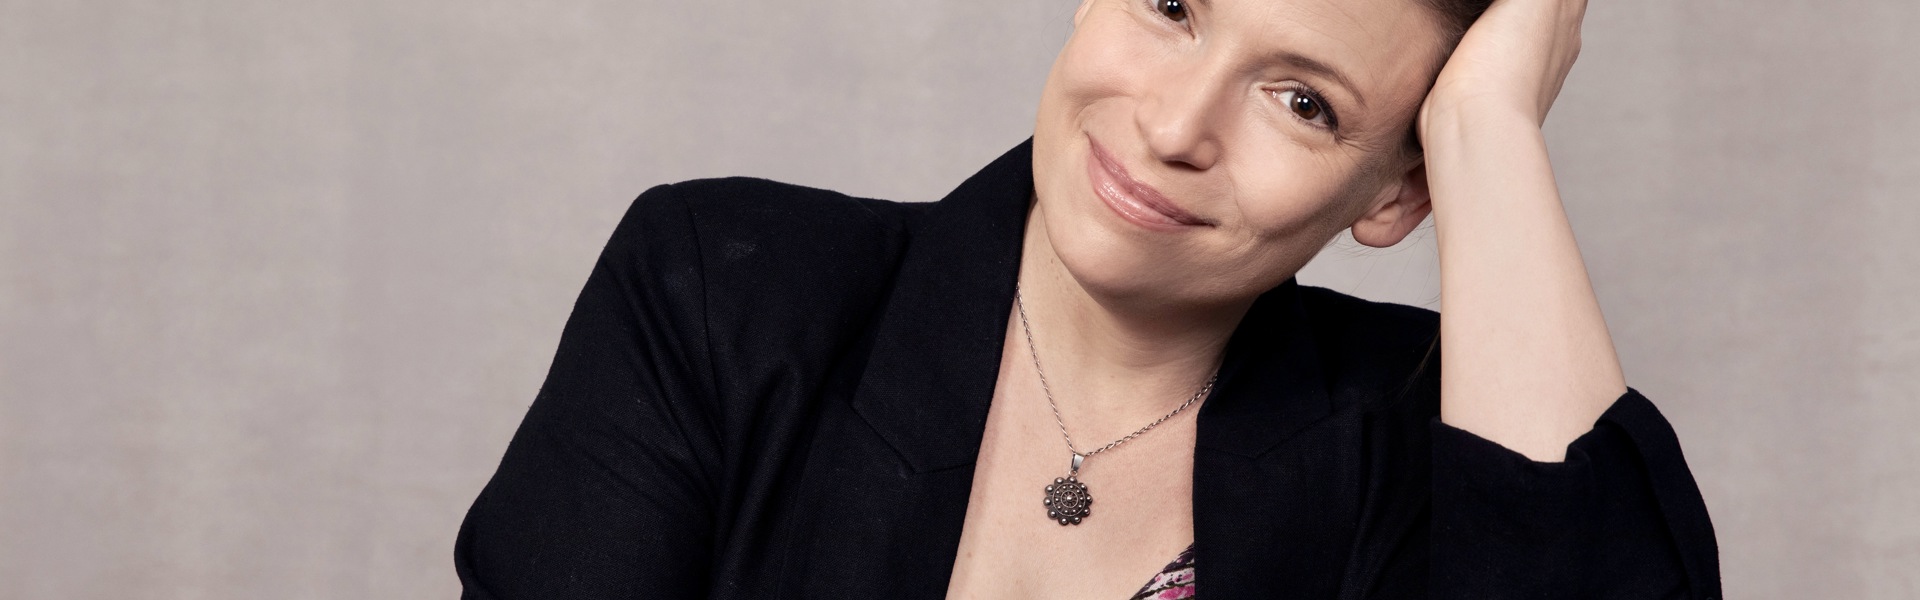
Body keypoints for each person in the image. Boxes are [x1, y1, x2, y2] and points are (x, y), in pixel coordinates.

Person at [454, 0, 1722, 597]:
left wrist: (1492, 130)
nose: (1172, 126)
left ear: (1397, 195)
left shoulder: (1417, 445)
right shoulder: (727, 291)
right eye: (1173, 4)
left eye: (1304, 102)